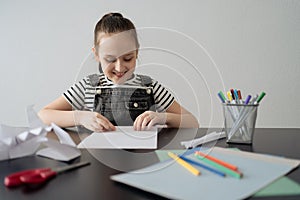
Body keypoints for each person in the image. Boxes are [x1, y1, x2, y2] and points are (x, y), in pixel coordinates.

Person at [38, 12, 199, 132]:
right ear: (96, 55)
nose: (120, 68)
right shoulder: (88, 86)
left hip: (141, 160)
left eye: (128, 58)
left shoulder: (149, 86)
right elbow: (43, 115)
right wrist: (80, 117)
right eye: (110, 59)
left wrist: (164, 117)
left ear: (136, 52)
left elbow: (192, 122)